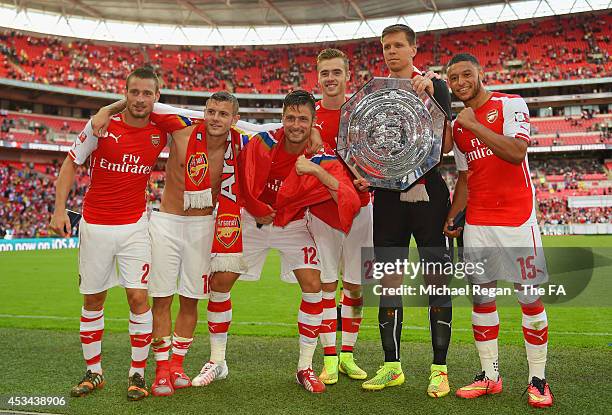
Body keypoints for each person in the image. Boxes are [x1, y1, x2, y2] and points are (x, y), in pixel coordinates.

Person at [49, 67, 168, 401]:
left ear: (157, 97)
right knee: (93, 298)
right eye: (134, 92)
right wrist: (60, 210)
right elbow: (70, 163)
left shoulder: (161, 130)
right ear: (125, 93)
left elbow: (195, 118)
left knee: (138, 298)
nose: (140, 99)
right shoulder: (100, 126)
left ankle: (137, 374)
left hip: (134, 228)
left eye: (148, 93)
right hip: (95, 225)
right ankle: (95, 372)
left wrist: (109, 105)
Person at [444, 52, 553, 408]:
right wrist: (453, 213)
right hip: (478, 222)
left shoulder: (509, 104)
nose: (460, 83)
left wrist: (474, 123)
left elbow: (516, 152)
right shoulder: (457, 126)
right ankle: (490, 377)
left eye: (465, 75)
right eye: (453, 79)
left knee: (528, 298)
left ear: (480, 73)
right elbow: (465, 176)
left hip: (518, 220)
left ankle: (538, 379)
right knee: (481, 298)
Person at [361, 24, 454, 397]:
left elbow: (446, 145)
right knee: (388, 281)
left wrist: (434, 95)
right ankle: (392, 366)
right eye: (386, 46)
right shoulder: (374, 93)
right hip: (386, 196)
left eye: (399, 45)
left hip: (429, 193)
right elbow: (362, 142)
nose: (392, 51)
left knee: (436, 281)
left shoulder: (434, 84)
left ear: (414, 49)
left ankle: (440, 369)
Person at [309, 48, 372, 385]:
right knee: (326, 285)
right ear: (317, 78)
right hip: (323, 211)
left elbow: (381, 154)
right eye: (325, 73)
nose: (330, 78)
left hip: (362, 207)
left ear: (349, 76)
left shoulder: (364, 112)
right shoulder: (309, 116)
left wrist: (371, 177)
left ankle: (348, 354)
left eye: (337, 72)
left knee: (355, 285)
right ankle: (329, 359)